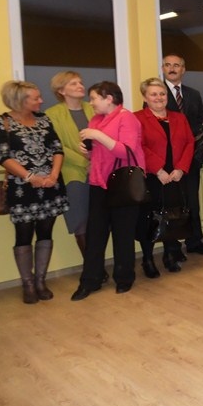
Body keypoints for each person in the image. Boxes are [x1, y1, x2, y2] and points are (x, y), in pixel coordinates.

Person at [71, 81, 145, 300]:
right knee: (95, 234)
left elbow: (126, 151)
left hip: (123, 184)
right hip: (99, 183)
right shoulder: (96, 120)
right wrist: (87, 151)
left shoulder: (126, 118)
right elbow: (99, 154)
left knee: (123, 233)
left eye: (94, 98)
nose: (91, 102)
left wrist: (97, 136)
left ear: (109, 98)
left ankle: (124, 278)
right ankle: (90, 280)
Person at [0, 80, 68, 304]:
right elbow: (3, 157)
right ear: (20, 100)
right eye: (36, 98)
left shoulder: (43, 119)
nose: (41, 100)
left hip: (50, 186)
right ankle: (28, 284)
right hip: (22, 190)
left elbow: (57, 149)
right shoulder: (2, 122)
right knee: (24, 234)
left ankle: (40, 281)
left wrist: (53, 175)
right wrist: (30, 177)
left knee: (46, 231)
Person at [135, 78, 194, 277]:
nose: (159, 98)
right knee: (149, 218)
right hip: (152, 177)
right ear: (145, 97)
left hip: (175, 176)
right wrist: (158, 170)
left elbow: (189, 143)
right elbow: (138, 146)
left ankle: (170, 254)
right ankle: (148, 259)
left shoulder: (179, 118)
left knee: (172, 216)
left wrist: (181, 169)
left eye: (162, 94)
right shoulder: (137, 118)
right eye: (154, 94)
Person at [161, 54, 203, 256]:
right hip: (169, 162)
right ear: (163, 69)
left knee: (192, 202)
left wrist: (194, 150)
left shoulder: (193, 94)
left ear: (183, 69)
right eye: (167, 65)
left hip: (191, 158)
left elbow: (199, 123)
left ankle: (194, 240)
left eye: (176, 65)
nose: (172, 68)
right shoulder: (158, 95)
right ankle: (172, 246)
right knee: (172, 204)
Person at [46, 71, 93, 260]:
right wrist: (84, 162)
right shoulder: (52, 114)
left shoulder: (93, 108)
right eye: (73, 83)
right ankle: (90, 266)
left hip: (100, 171)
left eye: (80, 82)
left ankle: (97, 263)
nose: (80, 86)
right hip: (72, 173)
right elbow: (57, 146)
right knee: (80, 221)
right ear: (61, 90)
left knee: (100, 220)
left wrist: (95, 162)